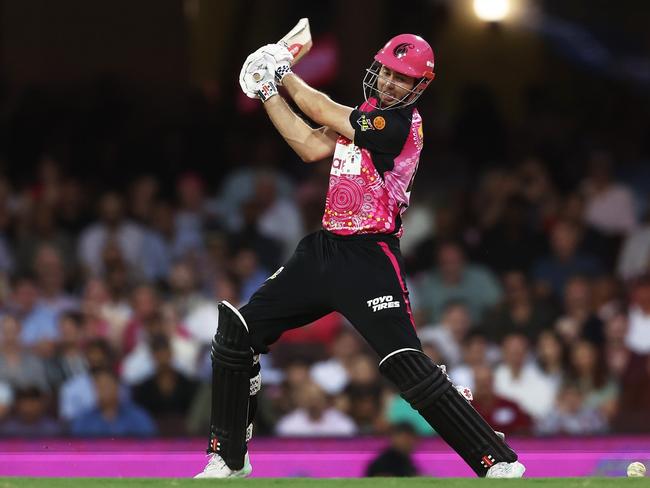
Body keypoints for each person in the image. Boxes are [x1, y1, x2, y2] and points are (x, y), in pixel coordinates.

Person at [195, 34, 523, 479]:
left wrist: (282, 71)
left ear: (418, 87)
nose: (389, 83)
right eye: (386, 71)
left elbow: (322, 110)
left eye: (401, 78)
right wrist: (269, 91)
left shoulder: (402, 124)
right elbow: (310, 145)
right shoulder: (365, 116)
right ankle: (229, 459)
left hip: (371, 257)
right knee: (237, 335)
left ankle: (495, 460)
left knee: (406, 363)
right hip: (324, 250)